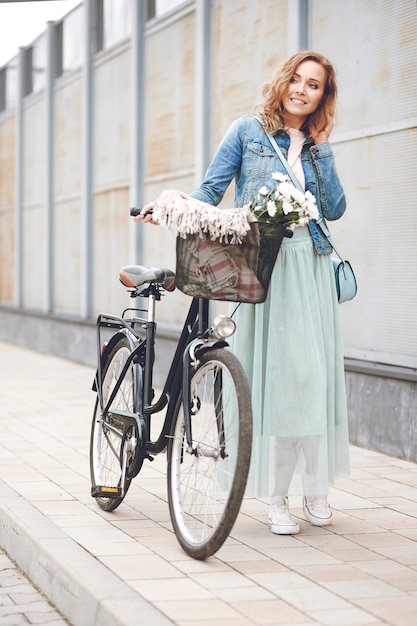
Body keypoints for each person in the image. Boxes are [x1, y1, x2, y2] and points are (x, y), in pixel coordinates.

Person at [135, 51, 350, 535]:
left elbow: (333, 208)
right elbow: (210, 191)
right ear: (283, 82)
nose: (302, 89)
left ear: (322, 97)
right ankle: (276, 500)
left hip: (309, 268)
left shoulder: (316, 145)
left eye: (313, 85)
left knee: (312, 380)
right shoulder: (247, 131)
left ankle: (314, 488)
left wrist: (322, 149)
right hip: (264, 267)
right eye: (296, 79)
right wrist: (168, 206)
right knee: (275, 384)